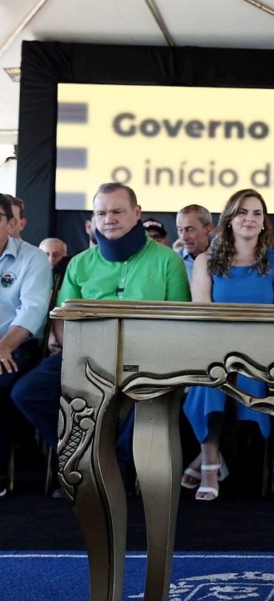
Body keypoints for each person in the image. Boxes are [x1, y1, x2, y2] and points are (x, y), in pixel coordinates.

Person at [11, 183, 189, 479]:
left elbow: (179, 321)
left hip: (149, 357)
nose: (110, 219)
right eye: (102, 212)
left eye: (118, 211)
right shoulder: (79, 263)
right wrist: (81, 359)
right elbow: (63, 320)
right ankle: (85, 451)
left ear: (136, 213)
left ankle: (116, 466)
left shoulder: (167, 260)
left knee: (156, 397)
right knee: (27, 392)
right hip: (88, 355)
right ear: (93, 219)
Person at [181, 189, 274, 501]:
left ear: (264, 223)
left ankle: (209, 459)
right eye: (243, 212)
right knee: (212, 380)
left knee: (245, 377)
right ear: (229, 219)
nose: (250, 218)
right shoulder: (206, 262)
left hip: (263, 353)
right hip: (216, 349)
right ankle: (210, 464)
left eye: (257, 213)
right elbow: (202, 315)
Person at [0, 194, 52, 496]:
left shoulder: (32, 258)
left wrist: (3, 345)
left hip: (18, 344)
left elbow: (32, 310)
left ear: (11, 224)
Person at [175, 204, 215, 281]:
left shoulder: (225, 259)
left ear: (209, 228)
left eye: (190, 229)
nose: (184, 237)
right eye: (180, 230)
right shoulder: (173, 262)